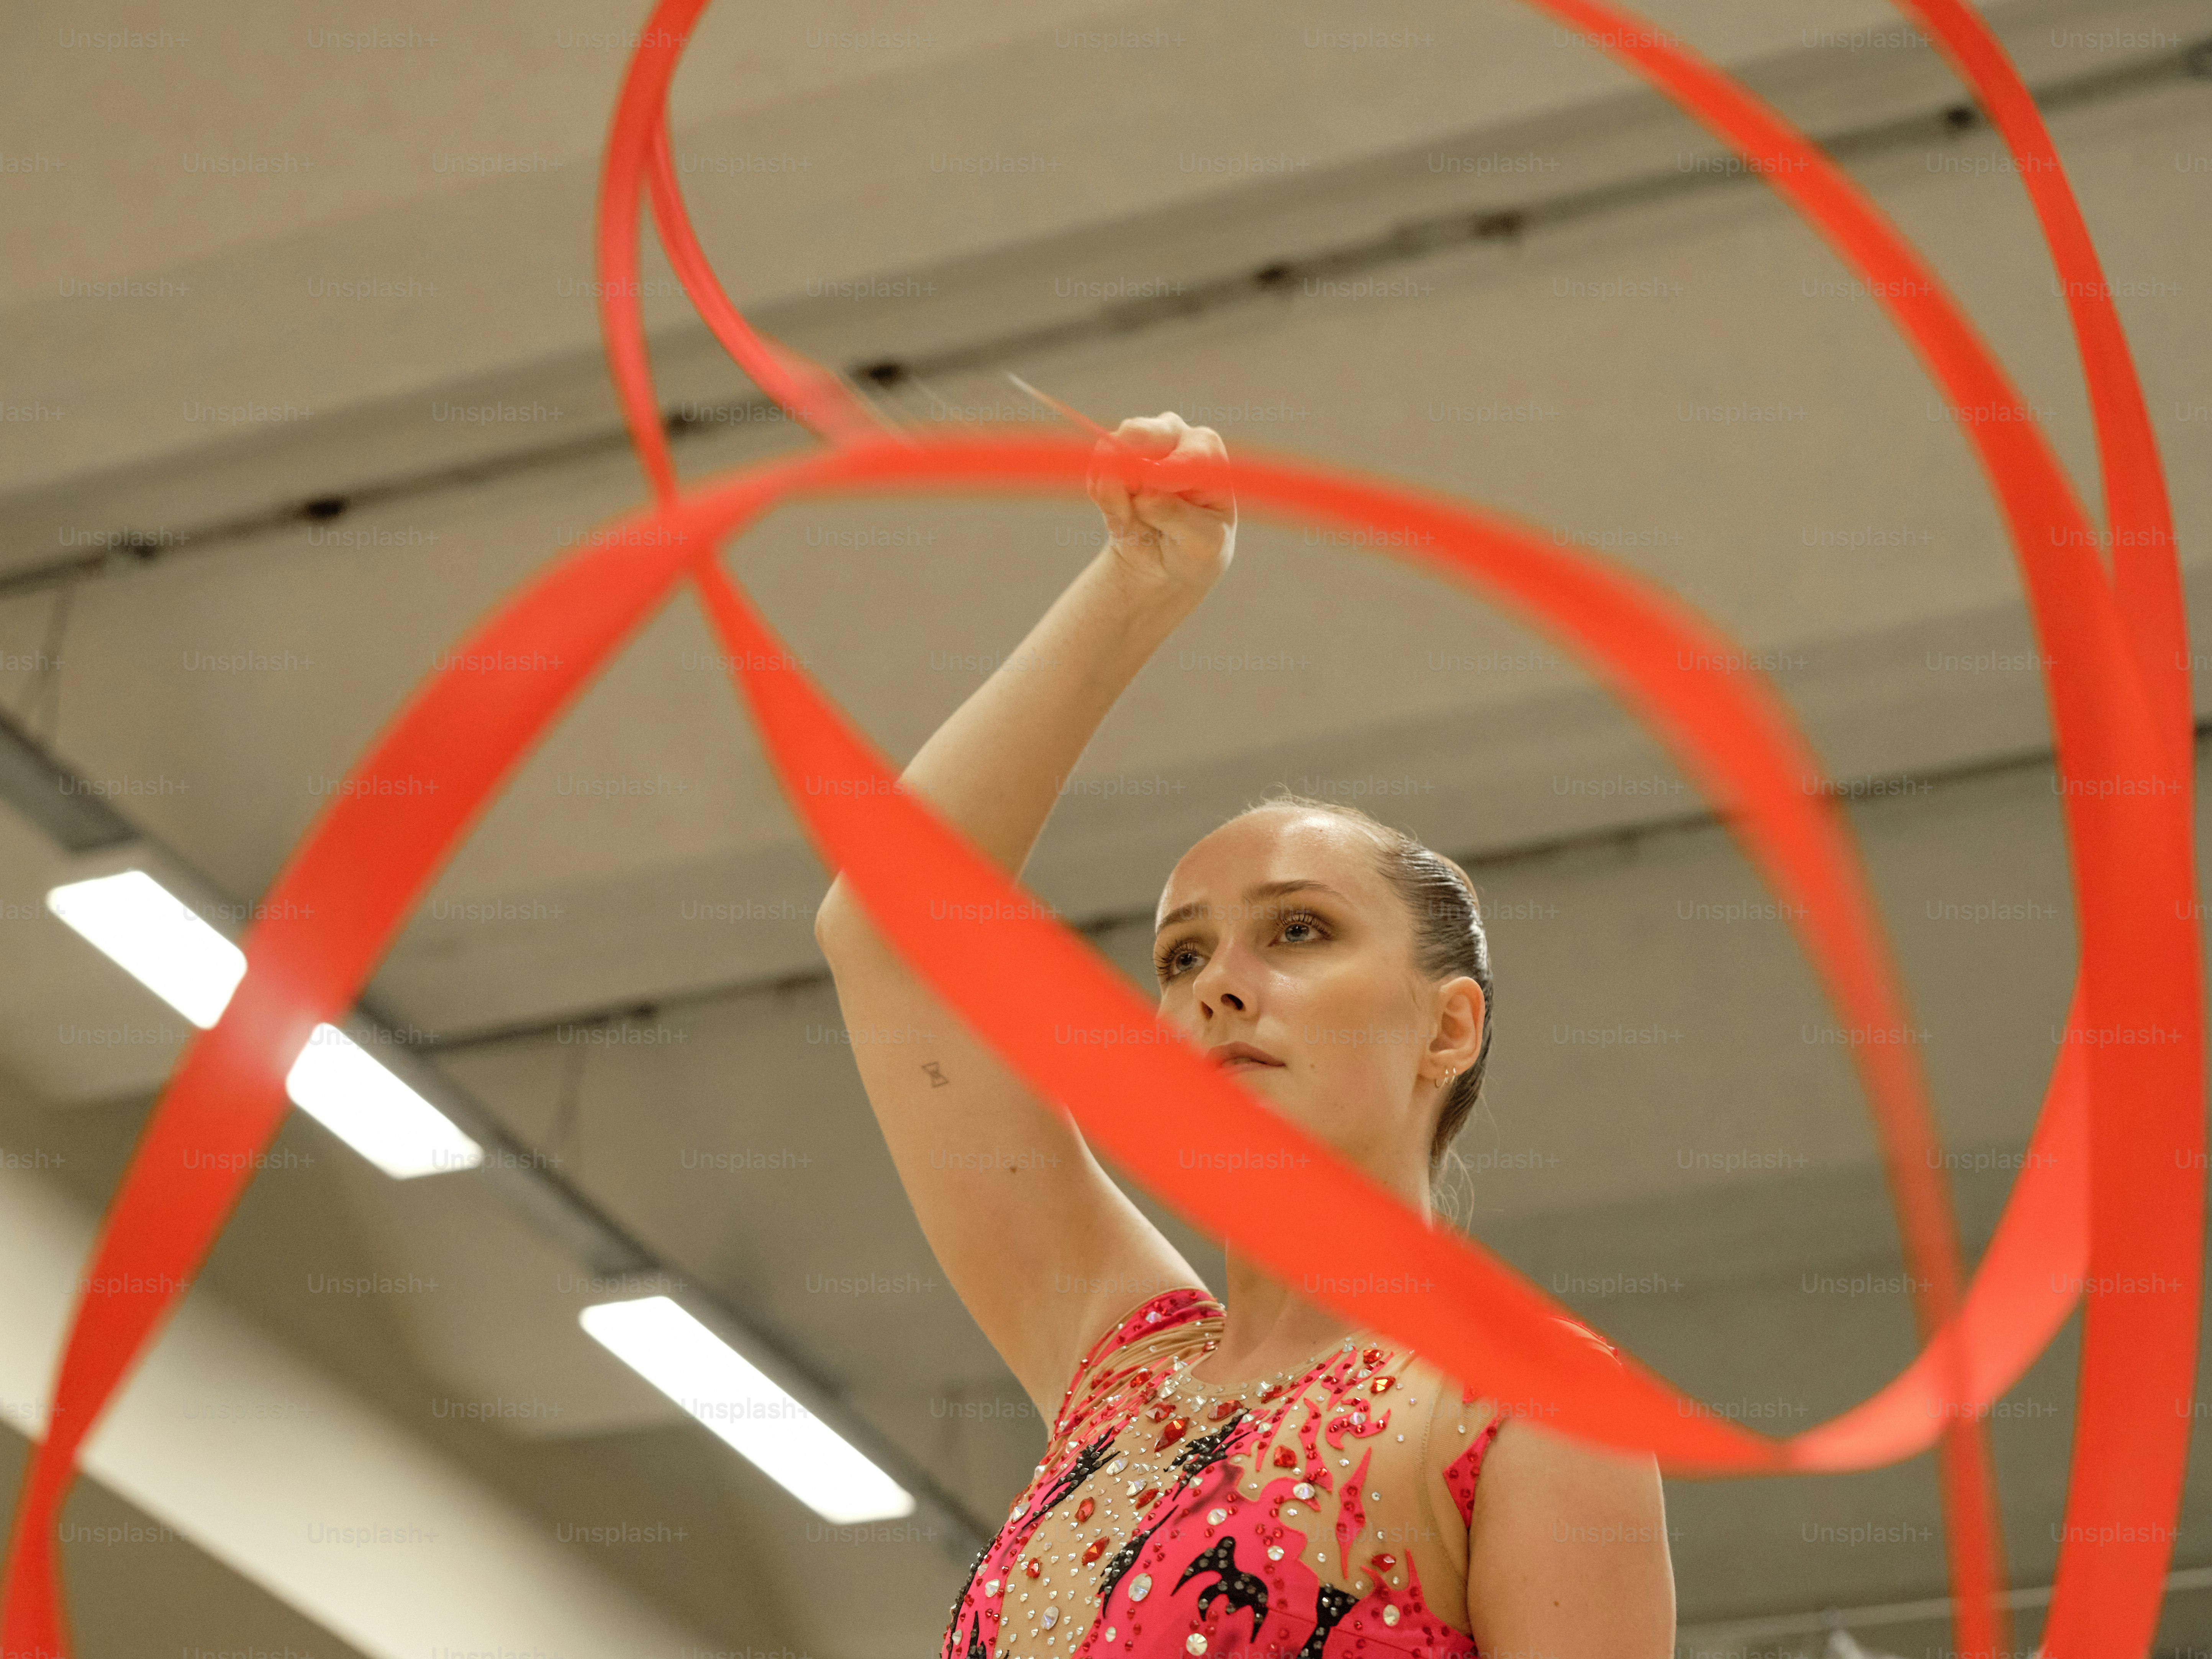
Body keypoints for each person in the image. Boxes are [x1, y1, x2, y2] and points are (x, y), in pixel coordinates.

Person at [813, 412, 1675, 1657]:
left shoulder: (1528, 1405)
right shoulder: (1117, 1371)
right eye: (1180, 956)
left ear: (1450, 1024)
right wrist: (1137, 587)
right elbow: (888, 932)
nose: (1220, 983)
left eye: (1302, 932)